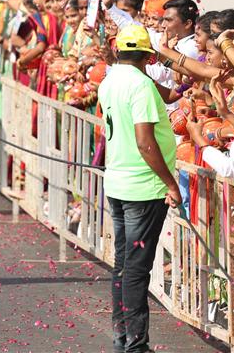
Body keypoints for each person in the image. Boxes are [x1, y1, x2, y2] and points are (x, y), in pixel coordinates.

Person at [97, 24, 180, 353]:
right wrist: (170, 183)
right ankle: (136, 344)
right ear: (148, 55)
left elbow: (169, 94)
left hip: (119, 183)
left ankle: (123, 339)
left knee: (123, 264)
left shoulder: (110, 80)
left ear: (117, 51)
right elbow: (146, 143)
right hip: (142, 189)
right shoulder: (141, 85)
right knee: (135, 269)